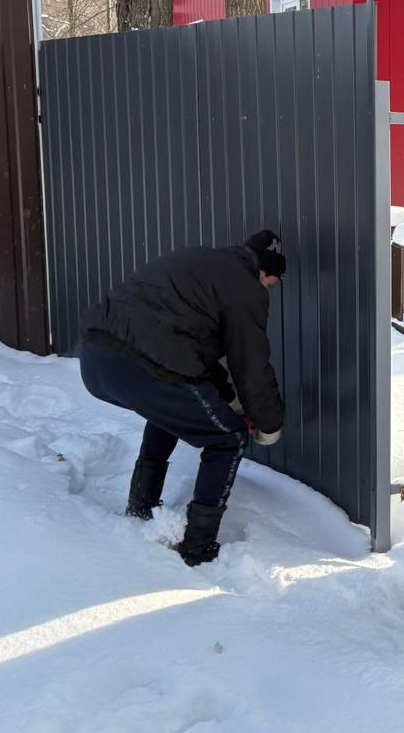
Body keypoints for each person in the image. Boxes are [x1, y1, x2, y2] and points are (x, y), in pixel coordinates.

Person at [79, 230, 288, 567]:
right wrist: (269, 423)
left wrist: (225, 395)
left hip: (96, 359)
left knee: (167, 411)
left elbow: (185, 348)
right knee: (227, 438)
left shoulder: (200, 262)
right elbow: (250, 364)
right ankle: (197, 547)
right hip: (143, 366)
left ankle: (140, 506)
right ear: (264, 271)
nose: (268, 290)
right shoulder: (245, 287)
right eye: (272, 283)